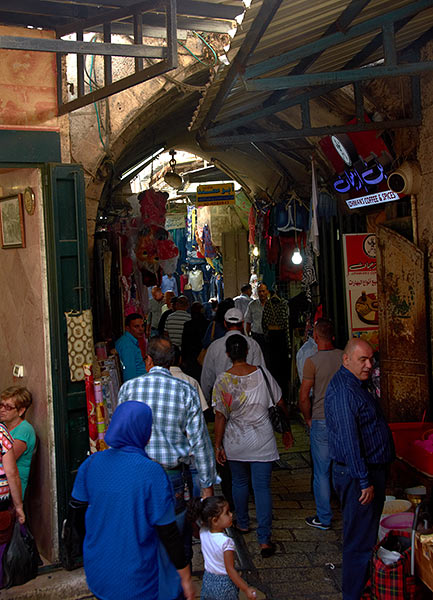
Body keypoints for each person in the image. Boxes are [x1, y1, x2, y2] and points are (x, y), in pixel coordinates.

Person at [71, 401, 195, 600]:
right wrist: (185, 575)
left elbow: (77, 513)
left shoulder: (90, 464)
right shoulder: (152, 472)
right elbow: (168, 533)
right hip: (138, 577)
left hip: (98, 570)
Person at [118, 336, 217, 564]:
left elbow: (121, 436)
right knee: (176, 535)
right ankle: (180, 583)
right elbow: (200, 442)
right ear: (172, 360)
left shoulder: (128, 389)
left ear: (148, 361)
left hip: (138, 475)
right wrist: (207, 486)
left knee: (144, 532)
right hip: (171, 476)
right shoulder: (185, 390)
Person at [325, 338, 395, 600]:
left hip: (366, 472)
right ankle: (353, 595)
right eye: (362, 360)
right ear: (346, 360)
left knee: (364, 538)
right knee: (358, 543)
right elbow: (349, 440)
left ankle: (363, 590)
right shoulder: (345, 390)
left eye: (370, 359)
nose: (369, 365)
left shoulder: (356, 384)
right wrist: (364, 480)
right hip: (357, 476)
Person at [213, 335, 293, 557]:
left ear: (228, 354)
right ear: (247, 351)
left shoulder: (223, 380)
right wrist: (287, 430)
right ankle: (264, 539)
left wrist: (217, 445)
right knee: (262, 488)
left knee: (239, 482)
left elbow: (220, 416)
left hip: (235, 441)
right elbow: (280, 403)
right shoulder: (263, 373)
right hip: (262, 440)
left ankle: (243, 522)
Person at [298, 319, 343, 530]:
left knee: (322, 471)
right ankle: (348, 511)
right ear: (332, 336)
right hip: (343, 419)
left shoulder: (312, 361)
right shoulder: (345, 357)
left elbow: (304, 396)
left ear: (315, 337)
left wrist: (308, 418)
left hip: (321, 419)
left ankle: (324, 517)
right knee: (345, 465)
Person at [188, 496, 257, 599]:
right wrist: (246, 589)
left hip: (208, 580)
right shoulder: (226, 542)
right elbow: (230, 570)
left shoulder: (203, 531)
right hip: (224, 584)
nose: (231, 515)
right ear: (215, 520)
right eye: (227, 513)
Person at [200, 308, 265, 404]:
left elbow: (207, 377)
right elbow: (260, 373)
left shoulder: (214, 346)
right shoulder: (253, 344)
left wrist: (206, 400)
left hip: (222, 400)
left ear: (225, 324)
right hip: (249, 401)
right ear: (242, 323)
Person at [0, 386, 36, 497]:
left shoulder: (24, 431)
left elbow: (4, 462)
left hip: (11, 488)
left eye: (8, 407)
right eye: (1, 405)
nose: (2, 410)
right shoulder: (4, 427)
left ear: (21, 411)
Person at [115, 313, 147, 382]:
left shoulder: (130, 341)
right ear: (127, 328)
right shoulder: (127, 345)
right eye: (136, 326)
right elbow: (129, 375)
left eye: (142, 326)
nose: (141, 329)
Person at [244, 283, 269, 355]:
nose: (262, 293)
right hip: (256, 336)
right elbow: (248, 321)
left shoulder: (271, 304)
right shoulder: (252, 305)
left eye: (263, 291)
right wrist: (248, 337)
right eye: (259, 291)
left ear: (267, 291)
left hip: (269, 336)